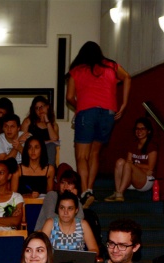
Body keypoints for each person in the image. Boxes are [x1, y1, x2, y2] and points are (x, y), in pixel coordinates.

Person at [66, 41, 131, 207]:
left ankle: (85, 192)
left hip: (87, 112)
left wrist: (79, 107)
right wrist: (123, 104)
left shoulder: (77, 70)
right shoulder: (111, 66)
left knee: (81, 156)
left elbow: (69, 97)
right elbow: (128, 77)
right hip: (108, 113)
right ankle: (90, 188)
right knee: (94, 153)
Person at [109, 117, 158, 202]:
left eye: (142, 129)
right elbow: (128, 163)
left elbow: (150, 169)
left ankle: (120, 193)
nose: (139, 131)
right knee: (120, 161)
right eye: (137, 129)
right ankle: (117, 191)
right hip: (133, 178)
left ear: (148, 131)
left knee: (128, 165)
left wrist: (135, 164)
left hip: (146, 180)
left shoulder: (152, 146)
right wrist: (140, 167)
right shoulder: (133, 144)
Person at [20, 95, 60, 167]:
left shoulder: (53, 125)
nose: (40, 110)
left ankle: (49, 171)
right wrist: (46, 142)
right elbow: (22, 140)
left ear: (47, 107)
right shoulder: (28, 122)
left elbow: (54, 140)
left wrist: (47, 122)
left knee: (51, 146)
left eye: (42, 107)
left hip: (46, 153)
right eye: (37, 108)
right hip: (31, 151)